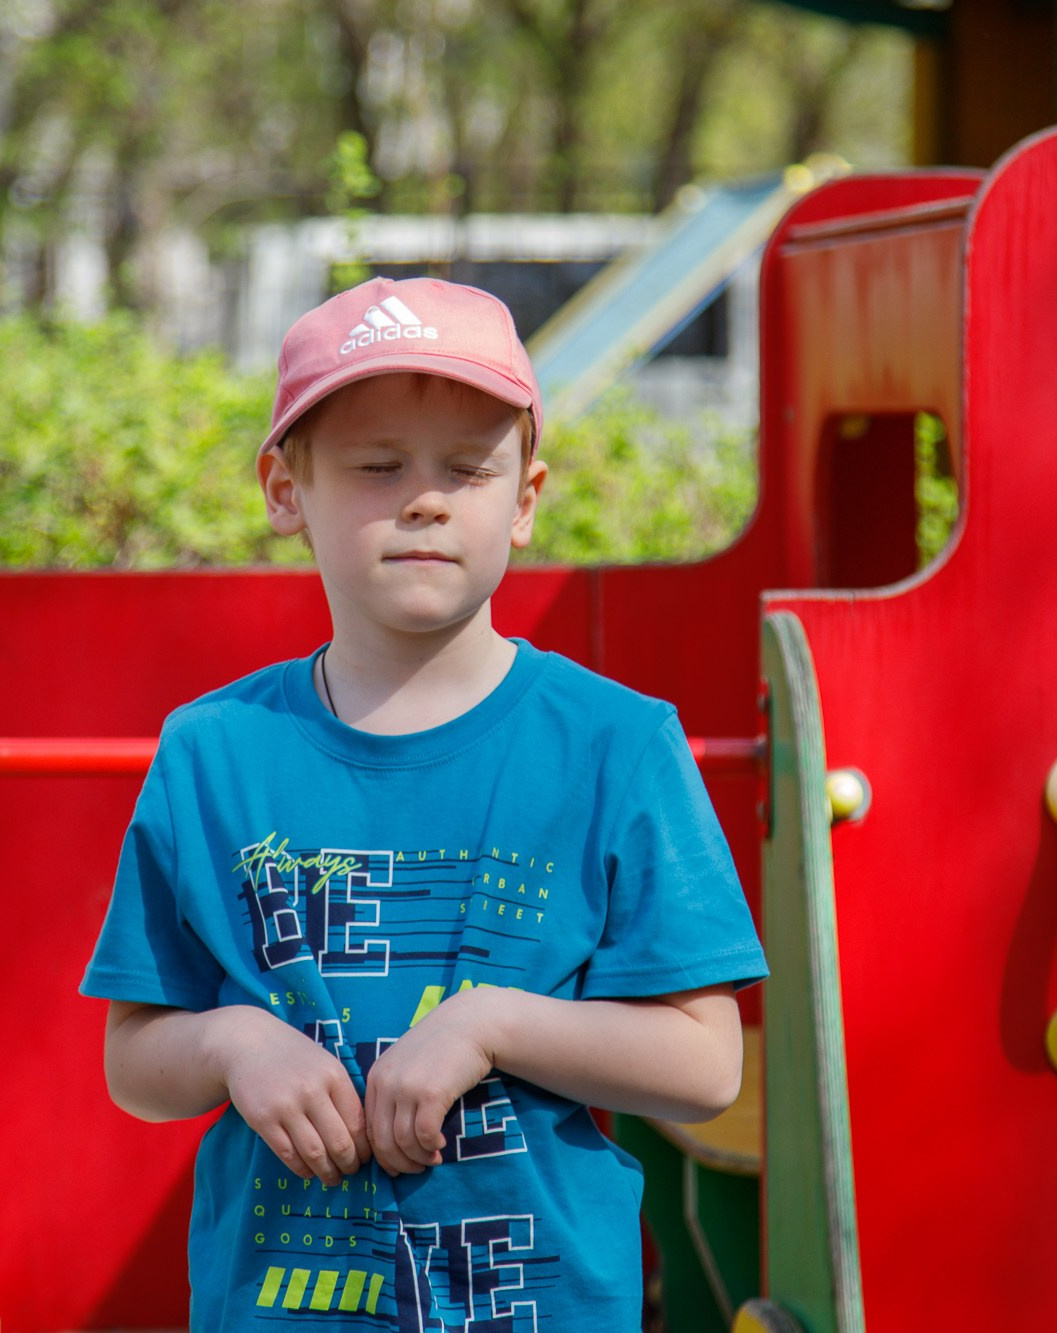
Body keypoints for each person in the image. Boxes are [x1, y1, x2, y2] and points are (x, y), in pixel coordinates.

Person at [81, 275, 766, 1331]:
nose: (425, 498)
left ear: (525, 499)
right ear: (283, 489)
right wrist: (232, 1045)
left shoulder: (617, 745)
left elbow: (705, 1062)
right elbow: (136, 1059)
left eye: (466, 468)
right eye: (376, 466)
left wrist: (490, 1023)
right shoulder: (212, 751)